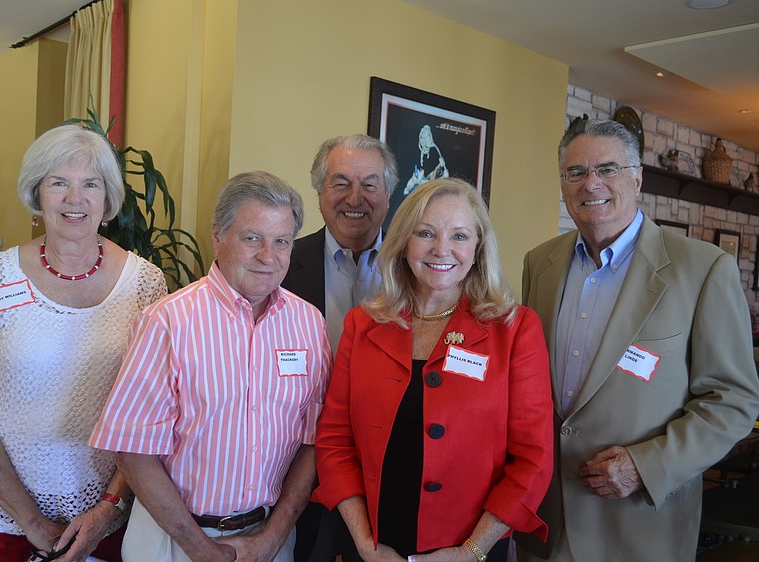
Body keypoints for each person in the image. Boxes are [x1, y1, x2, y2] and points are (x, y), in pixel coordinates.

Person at [515, 118, 759, 562]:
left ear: (637, 177)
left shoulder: (703, 269)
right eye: (575, 172)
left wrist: (645, 467)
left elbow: (732, 401)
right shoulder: (540, 263)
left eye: (608, 169)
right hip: (544, 521)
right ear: (563, 184)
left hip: (637, 525)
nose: (591, 184)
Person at [0, 124, 168, 562]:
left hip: (111, 514)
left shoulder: (145, 283)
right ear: (37, 194)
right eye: (58, 182)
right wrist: (33, 522)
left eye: (90, 184)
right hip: (4, 510)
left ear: (107, 200)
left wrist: (106, 510)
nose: (74, 198)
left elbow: (151, 416)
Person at [90, 170, 332, 562]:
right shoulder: (167, 321)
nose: (268, 257)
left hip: (268, 539)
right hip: (172, 541)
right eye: (252, 238)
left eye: (281, 241)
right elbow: (133, 453)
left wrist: (274, 536)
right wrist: (199, 549)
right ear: (218, 236)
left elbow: (314, 441)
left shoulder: (309, 324)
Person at [314, 178, 554, 562]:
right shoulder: (363, 325)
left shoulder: (516, 330)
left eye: (459, 236)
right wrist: (364, 542)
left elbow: (532, 460)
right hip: (374, 545)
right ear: (404, 243)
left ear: (478, 248)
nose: (442, 249)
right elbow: (334, 443)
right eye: (425, 233)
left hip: (469, 549)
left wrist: (471, 551)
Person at [283, 134, 397, 562]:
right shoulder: (280, 265)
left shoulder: (422, 268)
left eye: (370, 184)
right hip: (293, 466)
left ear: (388, 195)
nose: (355, 198)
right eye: (340, 183)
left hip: (386, 466)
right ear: (319, 192)